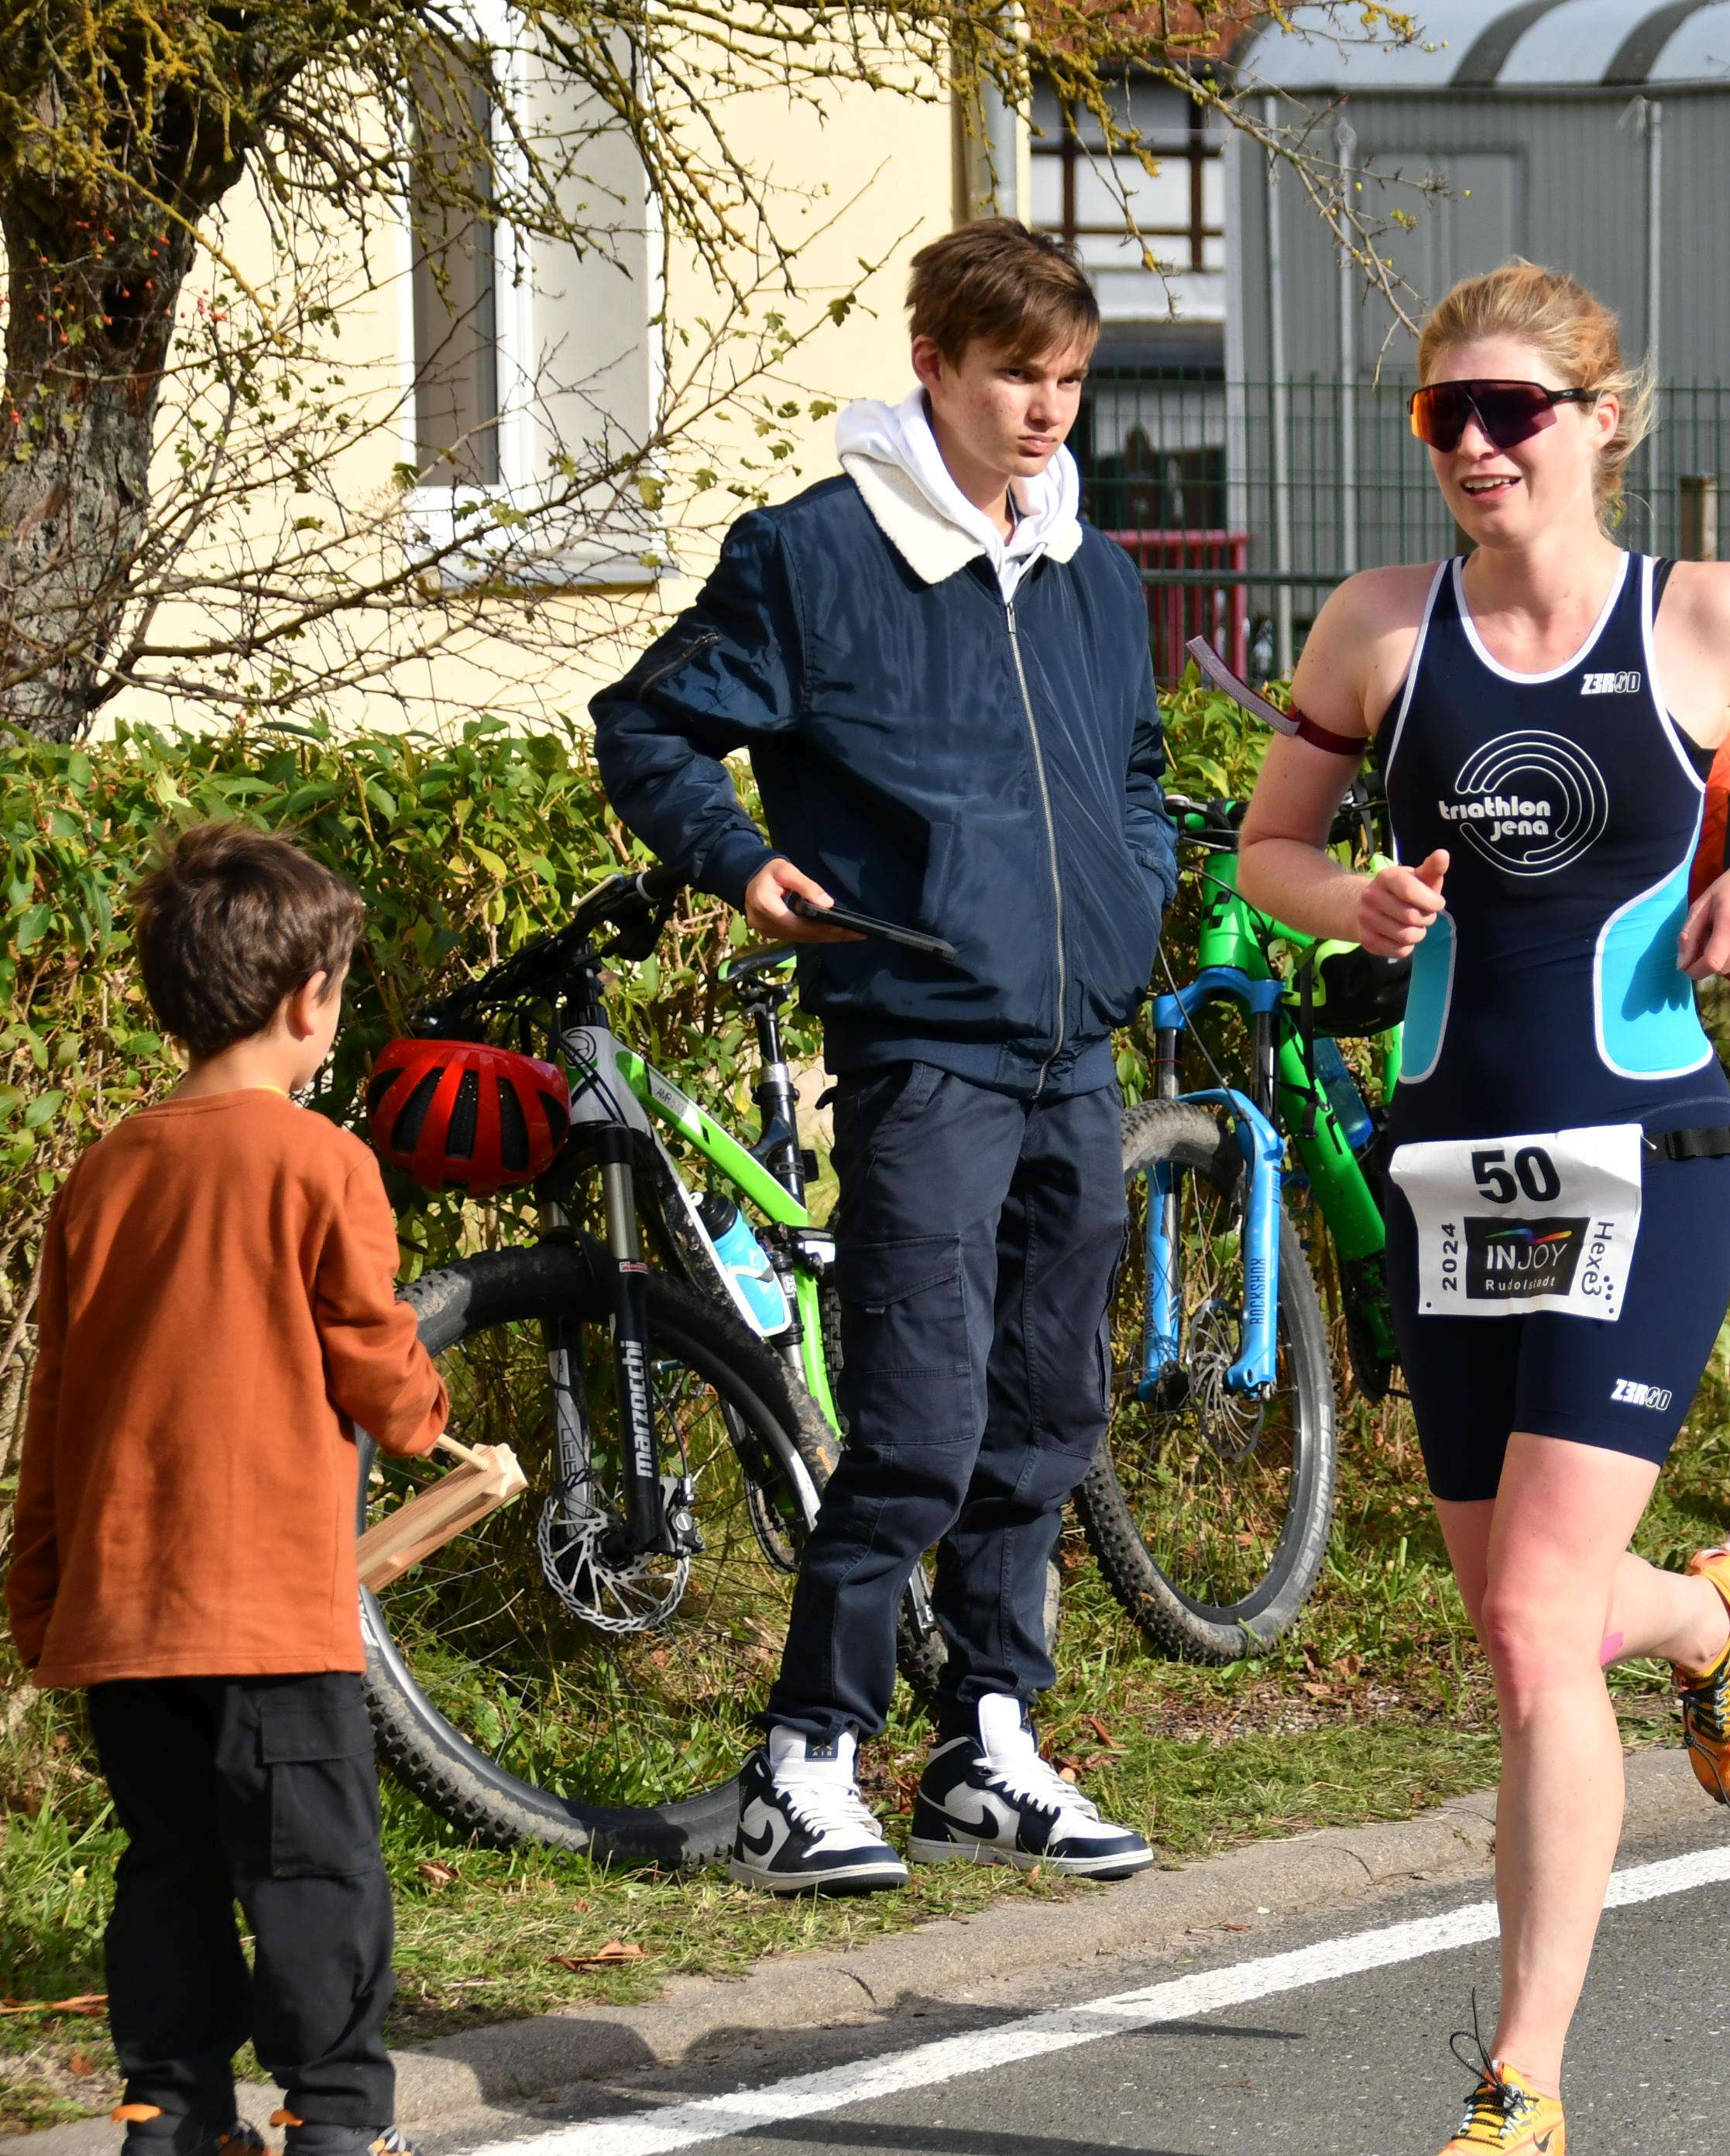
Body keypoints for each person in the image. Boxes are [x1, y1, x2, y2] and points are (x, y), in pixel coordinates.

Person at [1232, 261, 1730, 2155]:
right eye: (1443, 411)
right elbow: (1274, 846)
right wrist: (1346, 901)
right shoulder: (1380, 628)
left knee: (1532, 1620)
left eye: (1510, 409)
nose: (1473, 443)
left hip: (1646, 1159)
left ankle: (1521, 2081)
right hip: (1448, 1165)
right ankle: (1709, 1615)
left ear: (1603, 420)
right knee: (1520, 1617)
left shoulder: (1708, 614)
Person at [592, 218, 1172, 1890]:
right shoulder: (815, 554)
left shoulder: (1094, 568)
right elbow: (647, 724)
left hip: (1074, 1050)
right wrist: (735, 858)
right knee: (919, 1417)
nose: (1047, 412)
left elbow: (1133, 771)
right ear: (934, 365)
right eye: (1015, 377)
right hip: (922, 1043)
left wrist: (1134, 887)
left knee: (1047, 1413)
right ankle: (802, 1760)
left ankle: (987, 1743)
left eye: (1071, 381)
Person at [9, 824, 449, 2156]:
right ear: (311, 1000)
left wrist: (39, 1585)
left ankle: (171, 2111)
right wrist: (425, 1420)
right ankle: (337, 2117)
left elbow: (57, 1398)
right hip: (269, 1616)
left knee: (169, 1867)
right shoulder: (322, 1162)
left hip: (126, 1616)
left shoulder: (105, 1170)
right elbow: (373, 1346)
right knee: (314, 1870)